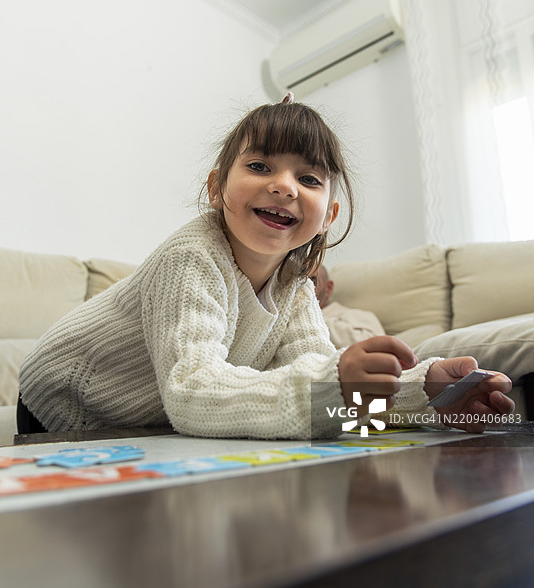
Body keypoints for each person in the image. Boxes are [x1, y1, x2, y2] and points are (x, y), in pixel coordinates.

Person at [17, 95, 514, 438]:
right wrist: (335, 386)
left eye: (309, 178)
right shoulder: (191, 257)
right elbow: (192, 392)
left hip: (147, 414)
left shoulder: (294, 286)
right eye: (260, 166)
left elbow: (317, 376)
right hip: (65, 402)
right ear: (216, 189)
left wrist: (424, 395)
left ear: (328, 217)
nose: (285, 186)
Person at [311, 265, 385, 348]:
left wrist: (311, 321)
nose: (303, 288)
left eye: (311, 282)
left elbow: (379, 346)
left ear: (328, 288)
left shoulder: (358, 316)